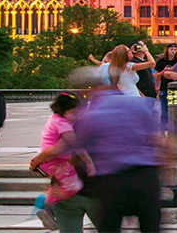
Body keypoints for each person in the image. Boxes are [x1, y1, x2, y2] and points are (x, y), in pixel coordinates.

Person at [68, 69, 165, 232]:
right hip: (146, 179)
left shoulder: (88, 116)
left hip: (111, 183)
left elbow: (77, 154)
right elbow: (162, 144)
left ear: (84, 91)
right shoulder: (141, 104)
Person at [29, 91, 90, 232]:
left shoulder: (57, 118)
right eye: (74, 113)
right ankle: (44, 204)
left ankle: (47, 205)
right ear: (62, 110)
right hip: (56, 161)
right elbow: (70, 145)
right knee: (73, 185)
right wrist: (88, 161)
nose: (77, 116)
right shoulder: (63, 124)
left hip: (56, 160)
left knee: (67, 185)